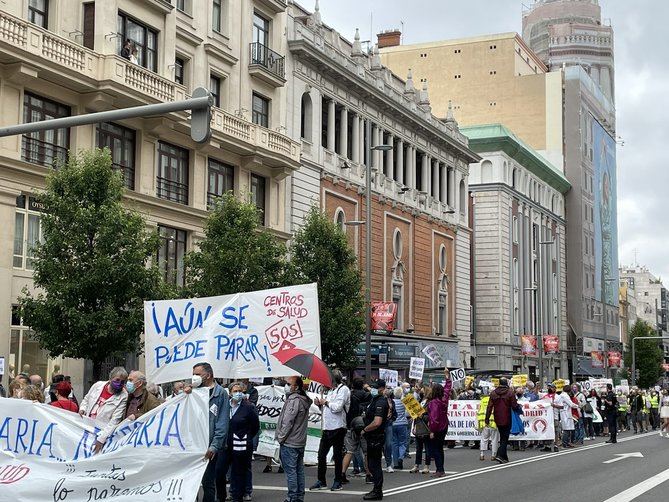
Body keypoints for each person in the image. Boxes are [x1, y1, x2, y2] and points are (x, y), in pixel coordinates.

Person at [185, 362, 229, 502]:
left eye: (197, 374)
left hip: (208, 447)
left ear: (208, 375)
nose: (194, 377)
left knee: (208, 483)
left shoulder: (220, 393)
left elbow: (222, 423)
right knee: (190, 483)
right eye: (193, 375)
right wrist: (185, 394)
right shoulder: (192, 391)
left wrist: (214, 446)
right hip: (191, 445)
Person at [310, 369, 350, 491]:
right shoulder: (331, 390)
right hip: (327, 427)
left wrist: (325, 402)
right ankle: (321, 480)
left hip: (338, 427)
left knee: (337, 456)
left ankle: (338, 481)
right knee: (321, 455)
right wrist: (319, 404)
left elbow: (337, 408)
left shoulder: (343, 390)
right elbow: (327, 409)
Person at [219, 382, 260, 502]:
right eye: (235, 391)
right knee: (220, 471)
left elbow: (255, 426)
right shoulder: (225, 406)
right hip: (226, 444)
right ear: (230, 393)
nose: (238, 393)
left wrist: (245, 436)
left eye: (240, 391)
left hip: (241, 445)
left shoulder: (248, 407)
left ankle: (239, 495)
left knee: (240, 471)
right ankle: (223, 495)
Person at [276, 376, 312, 502]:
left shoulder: (293, 400)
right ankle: (299, 497)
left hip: (290, 442)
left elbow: (287, 422)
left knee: (291, 472)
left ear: (296, 387)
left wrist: (281, 438)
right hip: (299, 441)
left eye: (288, 383)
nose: (285, 386)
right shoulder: (304, 399)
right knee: (299, 471)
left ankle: (292, 498)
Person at [79, 367, 129, 453]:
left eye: (122, 382)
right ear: (110, 379)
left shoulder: (123, 396)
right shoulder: (98, 385)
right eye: (117, 380)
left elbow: (115, 420)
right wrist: (82, 408)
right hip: (86, 426)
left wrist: (101, 439)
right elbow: (86, 399)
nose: (119, 383)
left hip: (101, 431)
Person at [360, 379, 390, 501]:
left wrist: (365, 430)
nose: (373, 389)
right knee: (372, 464)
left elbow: (377, 422)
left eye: (376, 387)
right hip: (373, 437)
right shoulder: (375, 399)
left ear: (382, 388)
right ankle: (376, 489)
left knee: (374, 465)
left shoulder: (381, 402)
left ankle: (377, 491)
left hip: (375, 436)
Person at [342, 377, 371, 482]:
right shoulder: (367, 395)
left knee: (349, 451)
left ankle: (342, 474)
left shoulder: (349, 395)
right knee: (367, 452)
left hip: (351, 425)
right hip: (364, 425)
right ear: (362, 385)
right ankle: (368, 475)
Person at [485, 377, 519, 464]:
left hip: (497, 417)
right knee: (505, 437)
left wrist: (487, 418)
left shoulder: (493, 393)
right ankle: (499, 455)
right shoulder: (510, 392)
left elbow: (489, 407)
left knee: (502, 435)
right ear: (506, 383)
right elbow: (514, 406)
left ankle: (504, 458)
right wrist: (519, 408)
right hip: (507, 417)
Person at [426, 369, 452, 477]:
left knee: (435, 449)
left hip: (437, 427)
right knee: (440, 448)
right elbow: (447, 388)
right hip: (444, 425)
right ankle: (441, 469)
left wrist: (432, 431)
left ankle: (439, 469)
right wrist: (447, 377)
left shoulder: (433, 403)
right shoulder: (444, 398)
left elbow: (434, 418)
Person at [410, 386, 432, 474]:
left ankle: (427, 466)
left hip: (426, 427)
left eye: (422, 390)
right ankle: (416, 465)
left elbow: (430, 416)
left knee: (427, 447)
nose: (420, 391)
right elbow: (416, 415)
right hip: (418, 426)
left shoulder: (430, 403)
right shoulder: (420, 401)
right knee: (418, 447)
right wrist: (414, 426)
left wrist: (422, 415)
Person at [391, 387, 409, 470]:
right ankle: (401, 457)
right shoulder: (404, 402)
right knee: (402, 442)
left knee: (394, 443)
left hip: (393, 424)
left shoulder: (391, 402)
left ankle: (395, 463)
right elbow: (408, 413)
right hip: (402, 424)